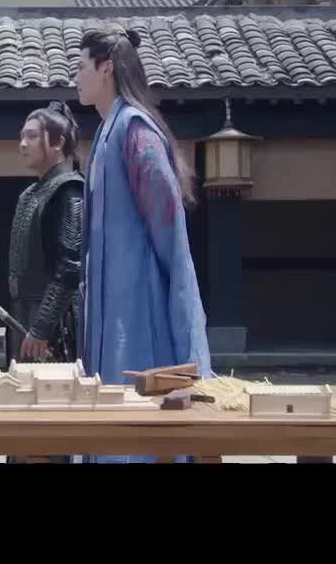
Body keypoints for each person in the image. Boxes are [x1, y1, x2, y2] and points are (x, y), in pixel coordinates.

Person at [76, 26, 213, 464]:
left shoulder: (136, 130)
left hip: (140, 307)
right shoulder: (106, 132)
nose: (76, 77)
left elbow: (171, 237)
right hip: (109, 308)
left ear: (106, 69)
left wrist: (182, 321)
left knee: (137, 435)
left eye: (81, 67)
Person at [6, 101, 85, 368]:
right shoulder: (30, 193)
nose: (22, 144)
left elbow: (71, 265)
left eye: (31, 136)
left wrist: (42, 327)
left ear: (58, 142)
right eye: (21, 136)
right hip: (25, 313)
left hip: (58, 322)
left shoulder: (69, 189)